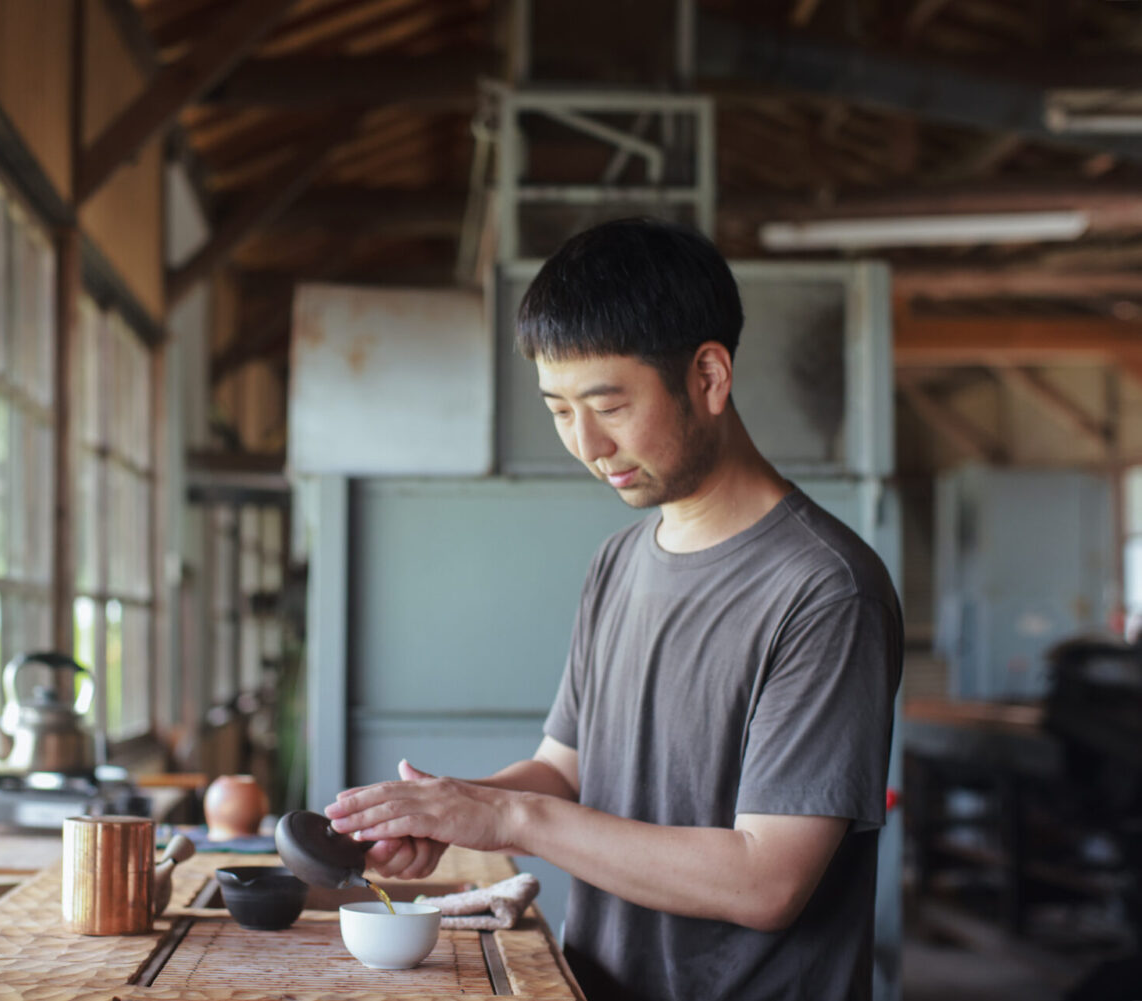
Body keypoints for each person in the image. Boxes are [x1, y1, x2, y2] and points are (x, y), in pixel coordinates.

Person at [323, 217, 903, 1001]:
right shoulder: (620, 561)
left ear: (708, 375)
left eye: (608, 405)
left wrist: (513, 822)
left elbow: (767, 881)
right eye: (560, 409)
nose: (587, 444)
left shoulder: (826, 589)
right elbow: (565, 769)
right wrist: (447, 812)